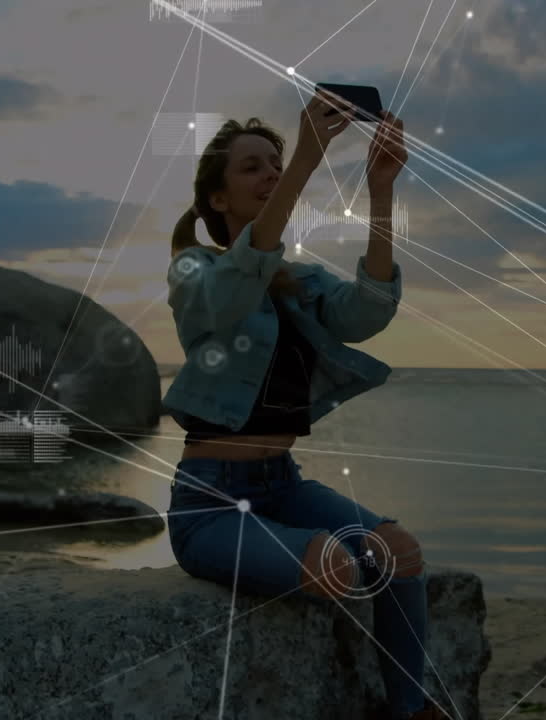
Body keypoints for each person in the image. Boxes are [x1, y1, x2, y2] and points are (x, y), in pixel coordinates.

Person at [162, 90, 449, 720]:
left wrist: (380, 190)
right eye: (252, 167)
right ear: (217, 198)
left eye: (275, 162)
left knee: (398, 552)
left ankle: (410, 709)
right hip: (210, 505)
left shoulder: (300, 283)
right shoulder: (194, 272)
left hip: (281, 485)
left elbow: (368, 312)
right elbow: (238, 283)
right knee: (338, 564)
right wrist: (303, 166)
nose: (268, 174)